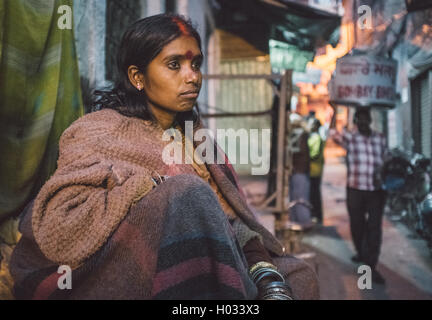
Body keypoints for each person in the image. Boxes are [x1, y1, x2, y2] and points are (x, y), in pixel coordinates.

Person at [9, 14, 319, 300]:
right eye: (174, 65)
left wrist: (263, 269)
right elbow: (59, 227)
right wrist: (153, 187)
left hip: (206, 248)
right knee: (188, 193)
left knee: (301, 277)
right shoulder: (99, 130)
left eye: (195, 64)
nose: (192, 77)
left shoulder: (196, 137)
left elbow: (231, 218)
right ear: (137, 76)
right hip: (114, 265)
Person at [330, 106, 388, 284]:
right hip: (355, 189)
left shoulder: (380, 138)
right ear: (355, 121)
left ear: (370, 120)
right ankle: (362, 253)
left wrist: (383, 176)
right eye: (359, 119)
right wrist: (333, 110)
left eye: (365, 118)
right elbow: (332, 132)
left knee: (374, 229)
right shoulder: (351, 138)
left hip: (376, 191)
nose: (363, 122)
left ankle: (370, 266)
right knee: (357, 226)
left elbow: (387, 159)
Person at [288, 113, 313, 227]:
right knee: (297, 196)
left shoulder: (298, 135)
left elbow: (297, 153)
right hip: (299, 171)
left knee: (299, 197)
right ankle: (297, 219)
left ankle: (302, 220)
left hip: (299, 171)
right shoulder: (300, 135)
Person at [308, 119, 325, 224]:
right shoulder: (313, 136)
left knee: (314, 194)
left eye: (312, 125)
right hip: (312, 169)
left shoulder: (317, 137)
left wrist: (305, 158)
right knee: (313, 193)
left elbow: (315, 154)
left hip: (315, 170)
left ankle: (317, 215)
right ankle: (315, 214)